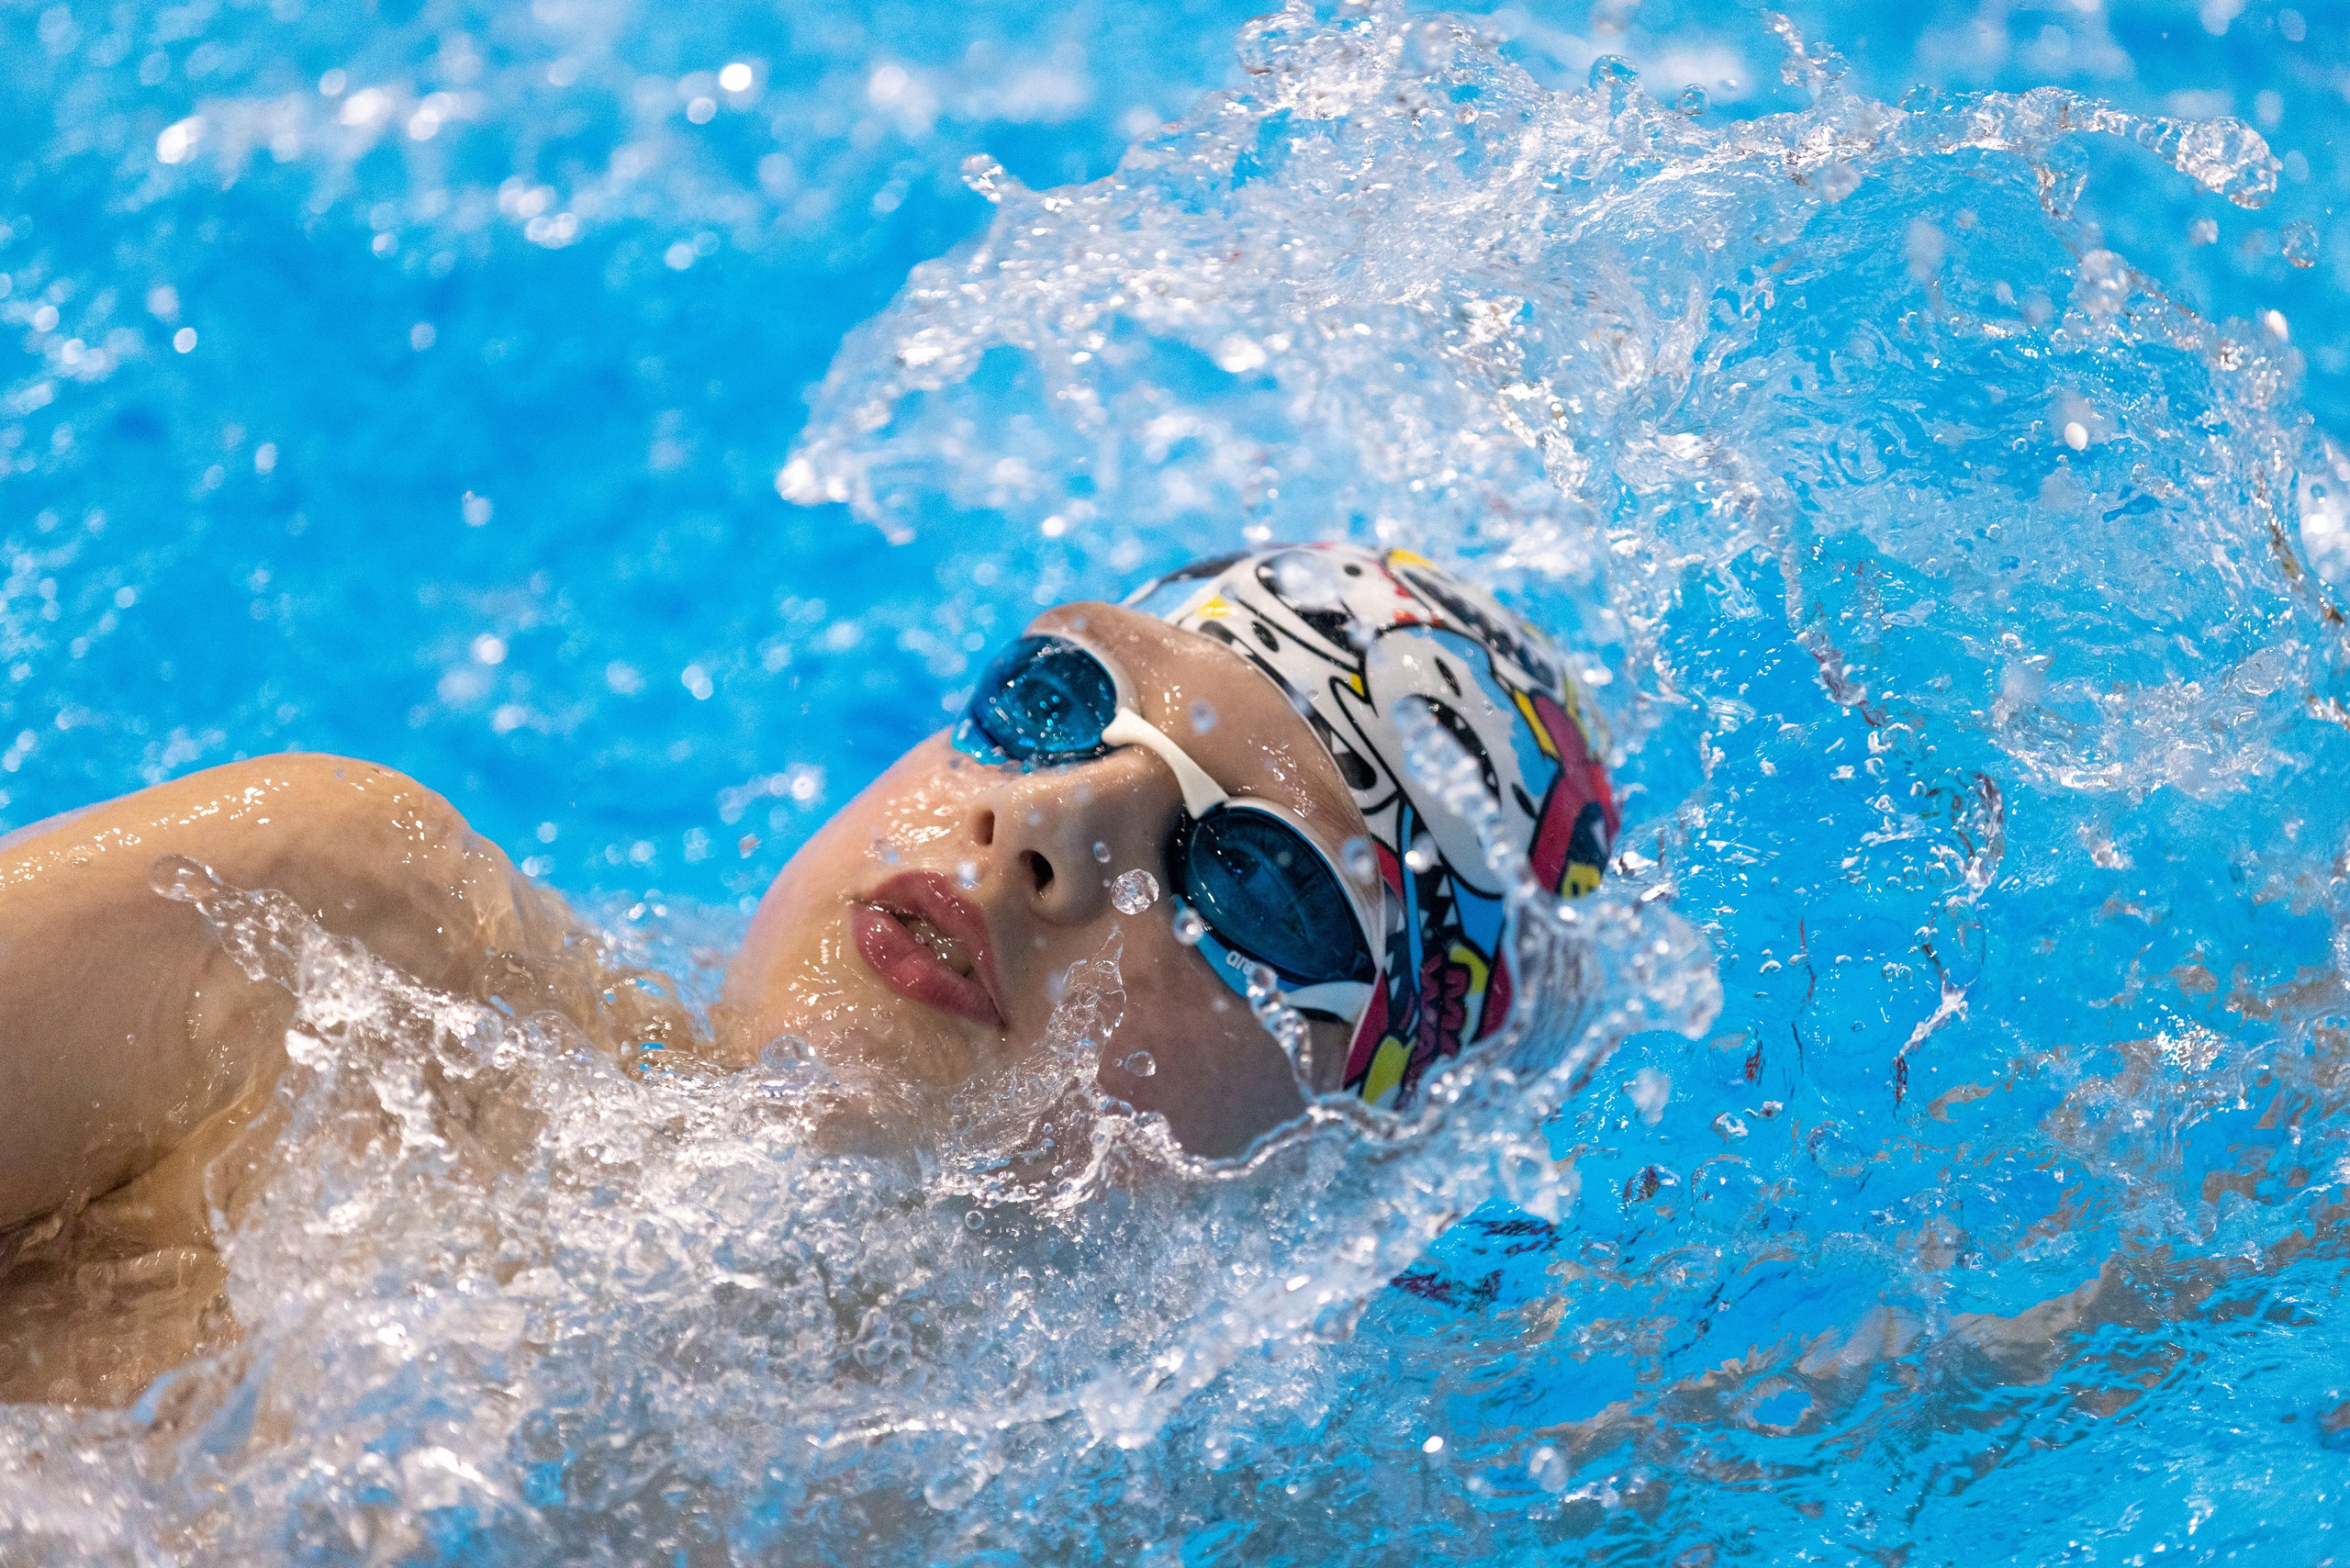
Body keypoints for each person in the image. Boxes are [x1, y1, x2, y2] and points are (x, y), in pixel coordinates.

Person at [0, 543, 1617, 1405]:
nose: (1044, 823)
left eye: (1246, 875)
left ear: (1358, 1164)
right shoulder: (317, 960)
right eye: (1056, 702)